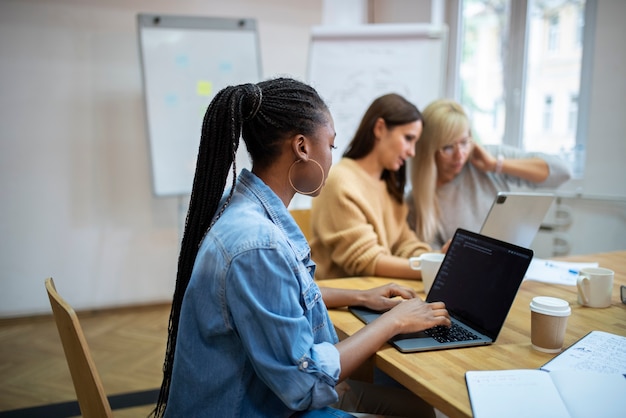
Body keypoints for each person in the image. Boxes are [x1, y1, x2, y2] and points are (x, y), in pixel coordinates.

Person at [151, 78, 450, 418]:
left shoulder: (241, 208)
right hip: (254, 406)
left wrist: (362, 297)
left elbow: (281, 294)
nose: (332, 159)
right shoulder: (258, 245)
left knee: (419, 408)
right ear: (303, 148)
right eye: (331, 146)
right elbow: (306, 382)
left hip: (264, 394)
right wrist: (393, 322)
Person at [409, 98, 571, 249]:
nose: (460, 155)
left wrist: (496, 165)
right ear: (429, 150)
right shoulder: (417, 201)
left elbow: (562, 172)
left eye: (465, 142)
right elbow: (431, 261)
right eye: (448, 147)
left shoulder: (489, 158)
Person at [310, 93, 432, 280]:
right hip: (341, 299)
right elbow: (365, 260)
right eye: (408, 138)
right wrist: (431, 270)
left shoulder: (388, 184)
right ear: (380, 128)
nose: (412, 152)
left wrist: (438, 260)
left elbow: (404, 243)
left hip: (374, 293)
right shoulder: (339, 181)